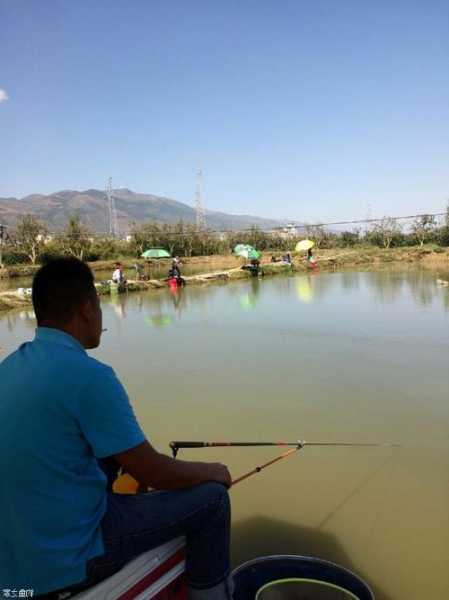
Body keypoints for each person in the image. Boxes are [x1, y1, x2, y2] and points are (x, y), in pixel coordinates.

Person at [0, 258, 232, 599]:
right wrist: (212, 470)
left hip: (15, 562)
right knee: (212, 501)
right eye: (99, 304)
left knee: (109, 461)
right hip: (69, 557)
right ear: (87, 309)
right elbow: (155, 474)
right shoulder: (89, 376)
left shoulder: (10, 367)